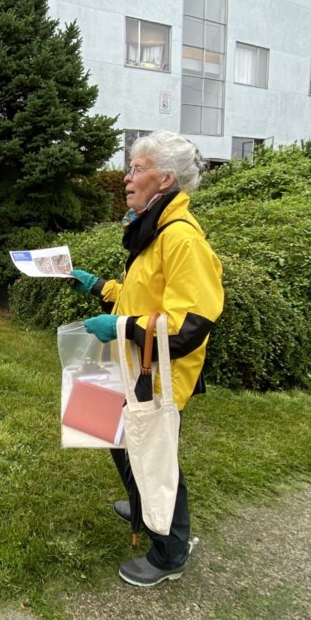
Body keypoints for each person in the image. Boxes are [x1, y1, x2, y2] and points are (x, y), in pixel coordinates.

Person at [69, 130, 223, 587]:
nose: (126, 177)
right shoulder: (152, 228)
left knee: (153, 458)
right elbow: (144, 298)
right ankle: (142, 509)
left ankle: (170, 552)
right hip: (134, 364)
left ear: (166, 179)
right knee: (115, 435)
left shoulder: (181, 239)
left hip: (157, 375)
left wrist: (117, 328)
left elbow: (189, 324)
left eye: (136, 168)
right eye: (130, 167)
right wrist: (99, 287)